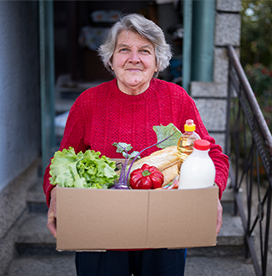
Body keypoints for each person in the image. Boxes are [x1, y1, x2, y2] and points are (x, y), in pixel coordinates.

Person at [43, 13, 229, 276]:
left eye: (144, 51)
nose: (134, 58)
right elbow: (61, 162)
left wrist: (213, 193)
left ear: (157, 62)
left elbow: (214, 156)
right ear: (111, 59)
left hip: (165, 230)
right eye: (124, 50)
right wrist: (55, 194)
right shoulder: (87, 102)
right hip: (99, 232)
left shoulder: (177, 99)